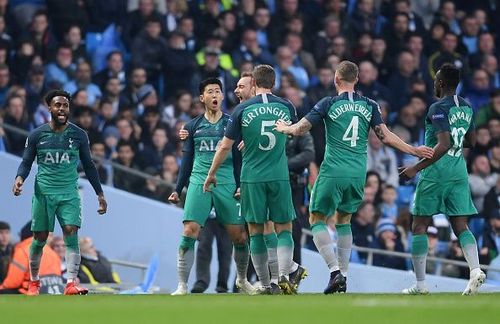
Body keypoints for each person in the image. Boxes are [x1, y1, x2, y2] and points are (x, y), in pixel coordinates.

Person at [275, 60, 433, 294]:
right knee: (344, 220)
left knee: (317, 219)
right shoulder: (370, 105)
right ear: (356, 80)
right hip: (358, 172)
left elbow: (301, 129)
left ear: (336, 80)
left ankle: (335, 272)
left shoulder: (328, 103)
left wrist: (284, 128)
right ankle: (343, 278)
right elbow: (386, 136)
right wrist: (415, 150)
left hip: (333, 170)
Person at [204, 65, 298, 295]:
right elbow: (294, 135)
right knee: (284, 227)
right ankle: (283, 276)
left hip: (252, 177)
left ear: (254, 84)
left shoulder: (242, 109)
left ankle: (266, 285)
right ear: (274, 83)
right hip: (279, 175)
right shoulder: (287, 106)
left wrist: (211, 173)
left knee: (255, 231)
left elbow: (225, 145)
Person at [400, 63, 486, 295]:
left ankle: (420, 286)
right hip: (459, 171)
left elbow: (444, 143)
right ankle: (475, 269)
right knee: (461, 225)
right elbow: (471, 142)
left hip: (435, 173)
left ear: (440, 82)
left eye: (436, 79)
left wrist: (415, 168)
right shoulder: (467, 106)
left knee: (419, 226)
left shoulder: (437, 107)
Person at [11, 89, 108, 296]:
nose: (62, 109)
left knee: (71, 231)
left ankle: (71, 282)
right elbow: (27, 161)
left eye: (65, 105)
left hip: (69, 193)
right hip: (44, 193)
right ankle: (34, 282)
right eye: (58, 105)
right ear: (50, 108)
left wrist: (99, 193)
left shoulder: (79, 135)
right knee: (40, 238)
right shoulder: (37, 134)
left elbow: (89, 166)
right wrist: (20, 179)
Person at [168, 78, 254, 296]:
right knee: (189, 231)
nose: (215, 95)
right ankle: (182, 285)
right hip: (199, 181)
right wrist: (178, 189)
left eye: (218, 91)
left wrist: (240, 184)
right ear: (202, 98)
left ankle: (242, 280)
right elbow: (186, 161)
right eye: (210, 92)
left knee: (239, 236)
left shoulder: (232, 123)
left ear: (223, 96)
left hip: (227, 182)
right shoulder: (192, 127)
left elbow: (237, 159)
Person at [0, 222, 62, 295]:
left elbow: (13, 282)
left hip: (32, 293)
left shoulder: (23, 251)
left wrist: (2, 288)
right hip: (54, 292)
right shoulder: (52, 253)